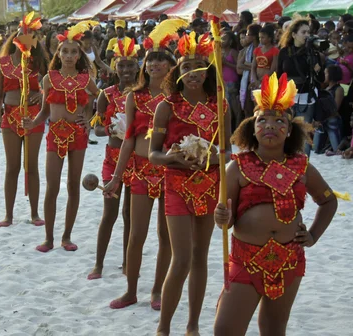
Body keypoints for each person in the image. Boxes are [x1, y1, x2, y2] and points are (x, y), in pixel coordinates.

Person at [213, 73, 338, 335]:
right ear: (252, 127)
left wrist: (313, 235)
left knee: (273, 329)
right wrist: (221, 218)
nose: (270, 126)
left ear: (290, 130)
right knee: (225, 329)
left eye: (279, 120)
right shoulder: (236, 167)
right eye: (263, 120)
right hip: (245, 260)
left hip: (289, 260)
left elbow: (328, 201)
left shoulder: (303, 166)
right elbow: (228, 221)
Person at [149, 30, 230, 336]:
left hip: (210, 184)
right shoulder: (166, 106)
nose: (193, 73)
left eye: (199, 67)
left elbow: (228, 152)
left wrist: (211, 158)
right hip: (176, 184)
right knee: (181, 258)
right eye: (186, 67)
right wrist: (173, 158)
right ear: (178, 72)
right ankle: (163, 327)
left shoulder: (221, 104)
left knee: (200, 256)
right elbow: (154, 154)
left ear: (208, 70)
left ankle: (193, 325)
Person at [104, 20, 183, 311]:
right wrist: (115, 177)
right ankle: (131, 290)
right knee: (136, 233)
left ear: (171, 66)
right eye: (150, 60)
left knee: (165, 235)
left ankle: (158, 291)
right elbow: (127, 139)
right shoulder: (133, 97)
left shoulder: (176, 99)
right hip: (138, 169)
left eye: (161, 60)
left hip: (168, 170)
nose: (155, 65)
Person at [22, 22, 99, 253]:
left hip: (78, 135)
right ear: (58, 53)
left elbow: (101, 100)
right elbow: (45, 111)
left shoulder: (86, 80)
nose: (68, 55)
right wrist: (33, 123)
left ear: (79, 55)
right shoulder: (48, 79)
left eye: (73, 51)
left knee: (73, 185)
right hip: (54, 134)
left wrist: (90, 119)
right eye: (64, 51)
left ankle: (66, 236)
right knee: (52, 187)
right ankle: (49, 238)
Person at [88, 37, 139, 280]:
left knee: (130, 214)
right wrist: (111, 129)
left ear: (137, 66)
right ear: (114, 66)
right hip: (112, 156)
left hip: (137, 159)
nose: (126, 70)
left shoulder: (143, 95)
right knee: (110, 212)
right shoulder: (105, 95)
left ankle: (128, 263)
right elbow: (96, 129)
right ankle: (98, 263)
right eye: (121, 65)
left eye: (130, 66)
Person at [0, 12, 48, 227]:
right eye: (24, 36)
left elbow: (48, 88)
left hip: (33, 117)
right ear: (16, 39)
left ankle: (34, 213)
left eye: (32, 36)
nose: (28, 40)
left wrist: (41, 93)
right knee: (12, 167)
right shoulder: (3, 62)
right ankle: (9, 214)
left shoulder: (39, 63)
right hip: (10, 117)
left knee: (31, 166)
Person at [277, 19, 324, 157]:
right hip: (288, 98)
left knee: (304, 133)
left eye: (308, 32)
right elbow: (279, 75)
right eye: (303, 32)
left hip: (306, 97)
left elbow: (320, 79)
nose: (306, 35)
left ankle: (303, 166)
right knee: (286, 132)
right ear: (294, 34)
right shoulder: (284, 52)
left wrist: (317, 69)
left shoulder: (312, 53)